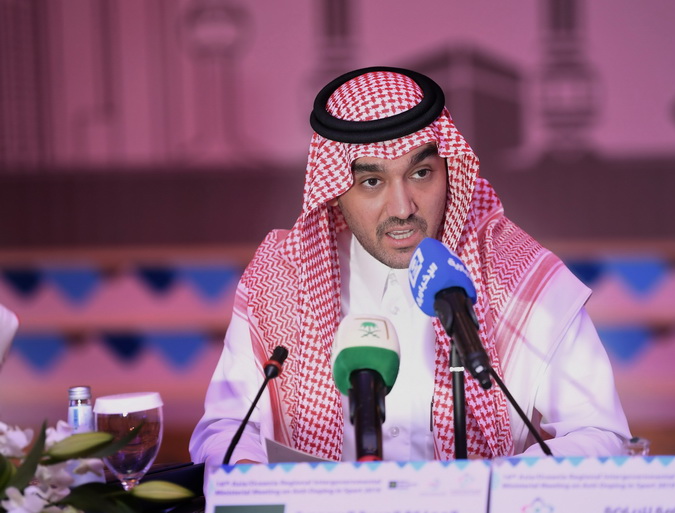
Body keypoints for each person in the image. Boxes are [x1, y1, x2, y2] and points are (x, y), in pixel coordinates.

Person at [190, 67, 630, 466]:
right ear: (336, 191)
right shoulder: (282, 278)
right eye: (372, 181)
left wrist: (496, 483)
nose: (402, 208)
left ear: (449, 171)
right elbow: (225, 428)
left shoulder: (519, 274)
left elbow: (599, 433)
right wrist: (245, 474)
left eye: (421, 174)